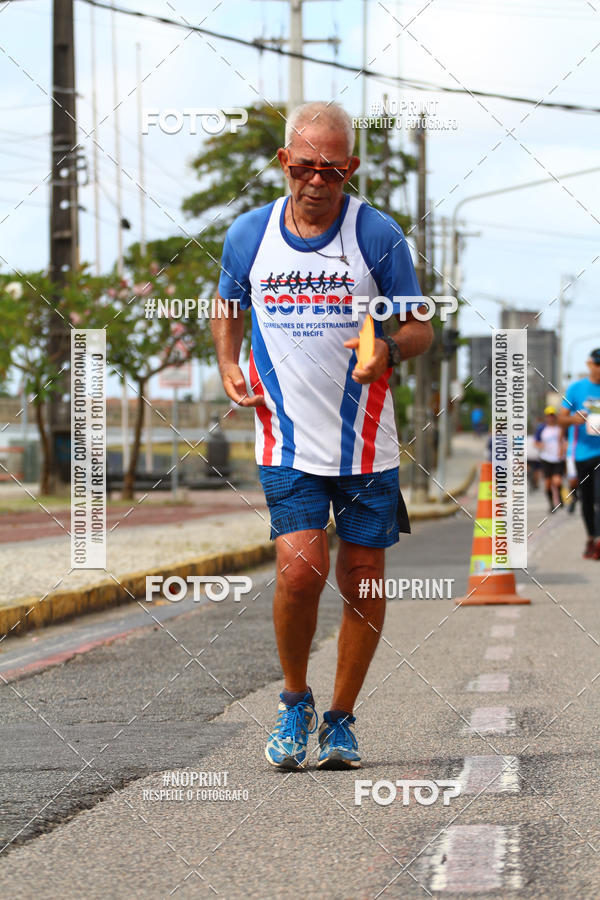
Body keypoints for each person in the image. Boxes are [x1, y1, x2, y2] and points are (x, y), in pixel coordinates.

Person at [211, 101, 433, 770]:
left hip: (365, 444)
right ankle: (293, 700)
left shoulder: (378, 237)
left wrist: (388, 349)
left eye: (333, 169)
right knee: (300, 569)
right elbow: (228, 300)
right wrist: (227, 360)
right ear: (284, 163)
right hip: (284, 438)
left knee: (363, 578)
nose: (317, 180)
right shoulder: (250, 234)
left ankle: (340, 719)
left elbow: (422, 327)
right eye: (305, 166)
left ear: (351, 168)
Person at [559, 348, 600, 558]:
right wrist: (573, 419)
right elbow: (561, 418)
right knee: (587, 501)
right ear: (590, 364)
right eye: (598, 365)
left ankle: (599, 539)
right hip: (582, 453)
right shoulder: (576, 388)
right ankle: (592, 537)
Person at [534, 406, 566, 513]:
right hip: (546, 458)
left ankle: (560, 497)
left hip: (558, 458)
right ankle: (552, 504)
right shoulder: (542, 428)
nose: (550, 418)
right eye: (548, 416)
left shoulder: (560, 428)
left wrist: (563, 449)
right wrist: (540, 445)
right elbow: (536, 442)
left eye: (552, 415)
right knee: (548, 483)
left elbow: (565, 441)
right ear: (546, 417)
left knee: (557, 481)